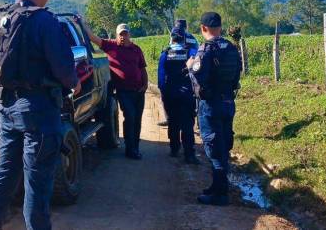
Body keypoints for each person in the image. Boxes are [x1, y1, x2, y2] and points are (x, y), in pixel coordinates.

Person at [0, 0, 80, 230]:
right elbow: (63, 67)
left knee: (6, 174)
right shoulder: (45, 20)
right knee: (37, 181)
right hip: (40, 110)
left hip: (7, 108)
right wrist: (74, 83)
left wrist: (2, 89)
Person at [187, 12, 241, 206]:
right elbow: (236, 77)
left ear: (203, 28)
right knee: (223, 145)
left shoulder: (205, 50)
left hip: (210, 105)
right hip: (228, 102)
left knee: (214, 148)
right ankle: (216, 186)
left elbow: (197, 79)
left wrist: (191, 66)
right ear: (220, 26)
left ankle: (220, 194)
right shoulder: (232, 49)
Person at [77, 19, 148, 160]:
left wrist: (145, 84)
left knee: (137, 120)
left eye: (125, 34)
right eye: (120, 34)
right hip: (124, 91)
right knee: (130, 117)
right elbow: (93, 38)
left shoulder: (136, 49)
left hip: (139, 91)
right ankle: (130, 149)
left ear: (129, 35)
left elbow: (142, 68)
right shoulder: (111, 46)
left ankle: (135, 146)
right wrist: (82, 23)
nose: (123, 36)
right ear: (116, 35)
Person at [157, 27, 199, 164]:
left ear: (171, 38)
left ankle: (174, 149)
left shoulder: (165, 54)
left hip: (170, 96)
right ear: (183, 38)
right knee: (187, 125)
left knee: (173, 122)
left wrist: (164, 95)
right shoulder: (191, 53)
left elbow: (161, 80)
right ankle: (189, 154)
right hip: (187, 96)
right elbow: (197, 71)